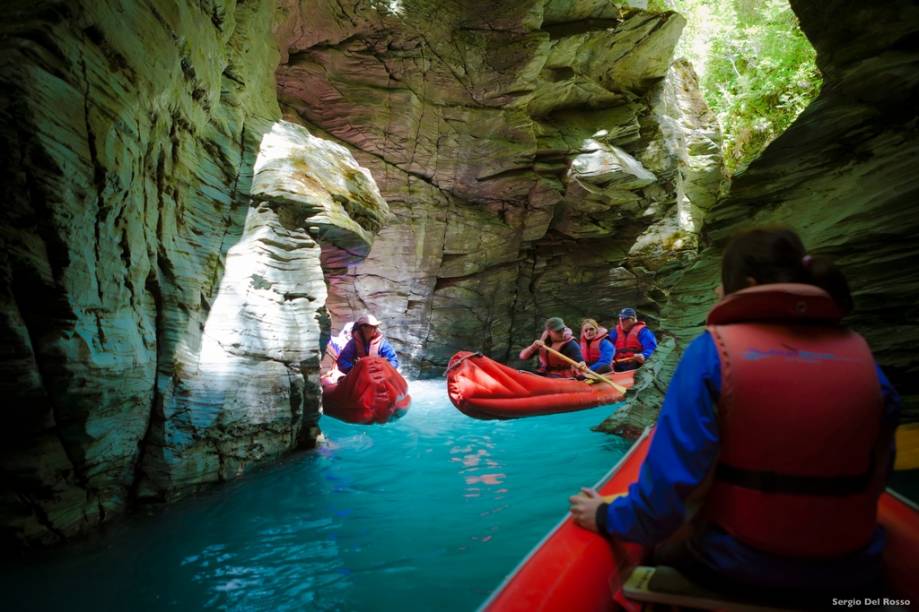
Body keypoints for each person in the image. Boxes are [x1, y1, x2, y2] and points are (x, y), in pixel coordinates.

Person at [568, 227, 899, 603]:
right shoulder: (863, 358)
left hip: (742, 565)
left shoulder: (712, 354)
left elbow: (664, 498)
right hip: (855, 568)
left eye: (721, 283)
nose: (714, 294)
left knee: (661, 551)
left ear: (749, 284)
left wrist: (605, 516)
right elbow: (879, 472)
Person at [519, 317, 584, 378]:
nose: (561, 333)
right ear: (549, 332)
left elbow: (579, 359)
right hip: (545, 373)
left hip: (564, 376)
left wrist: (581, 363)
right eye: (558, 331)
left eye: (562, 330)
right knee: (522, 372)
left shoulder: (570, 343)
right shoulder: (542, 343)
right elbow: (523, 357)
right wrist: (533, 347)